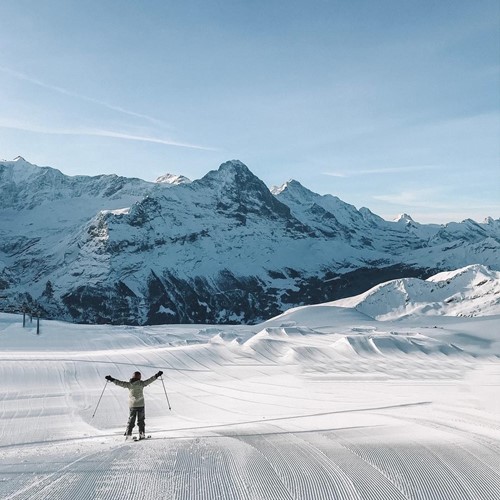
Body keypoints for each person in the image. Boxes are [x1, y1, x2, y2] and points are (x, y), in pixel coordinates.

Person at [105, 370, 163, 439]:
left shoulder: (129, 384)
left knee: (131, 420)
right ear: (139, 377)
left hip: (132, 405)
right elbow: (150, 380)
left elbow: (119, 383)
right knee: (141, 421)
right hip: (141, 405)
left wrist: (111, 379)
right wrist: (157, 375)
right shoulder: (142, 384)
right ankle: (142, 435)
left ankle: (128, 435)